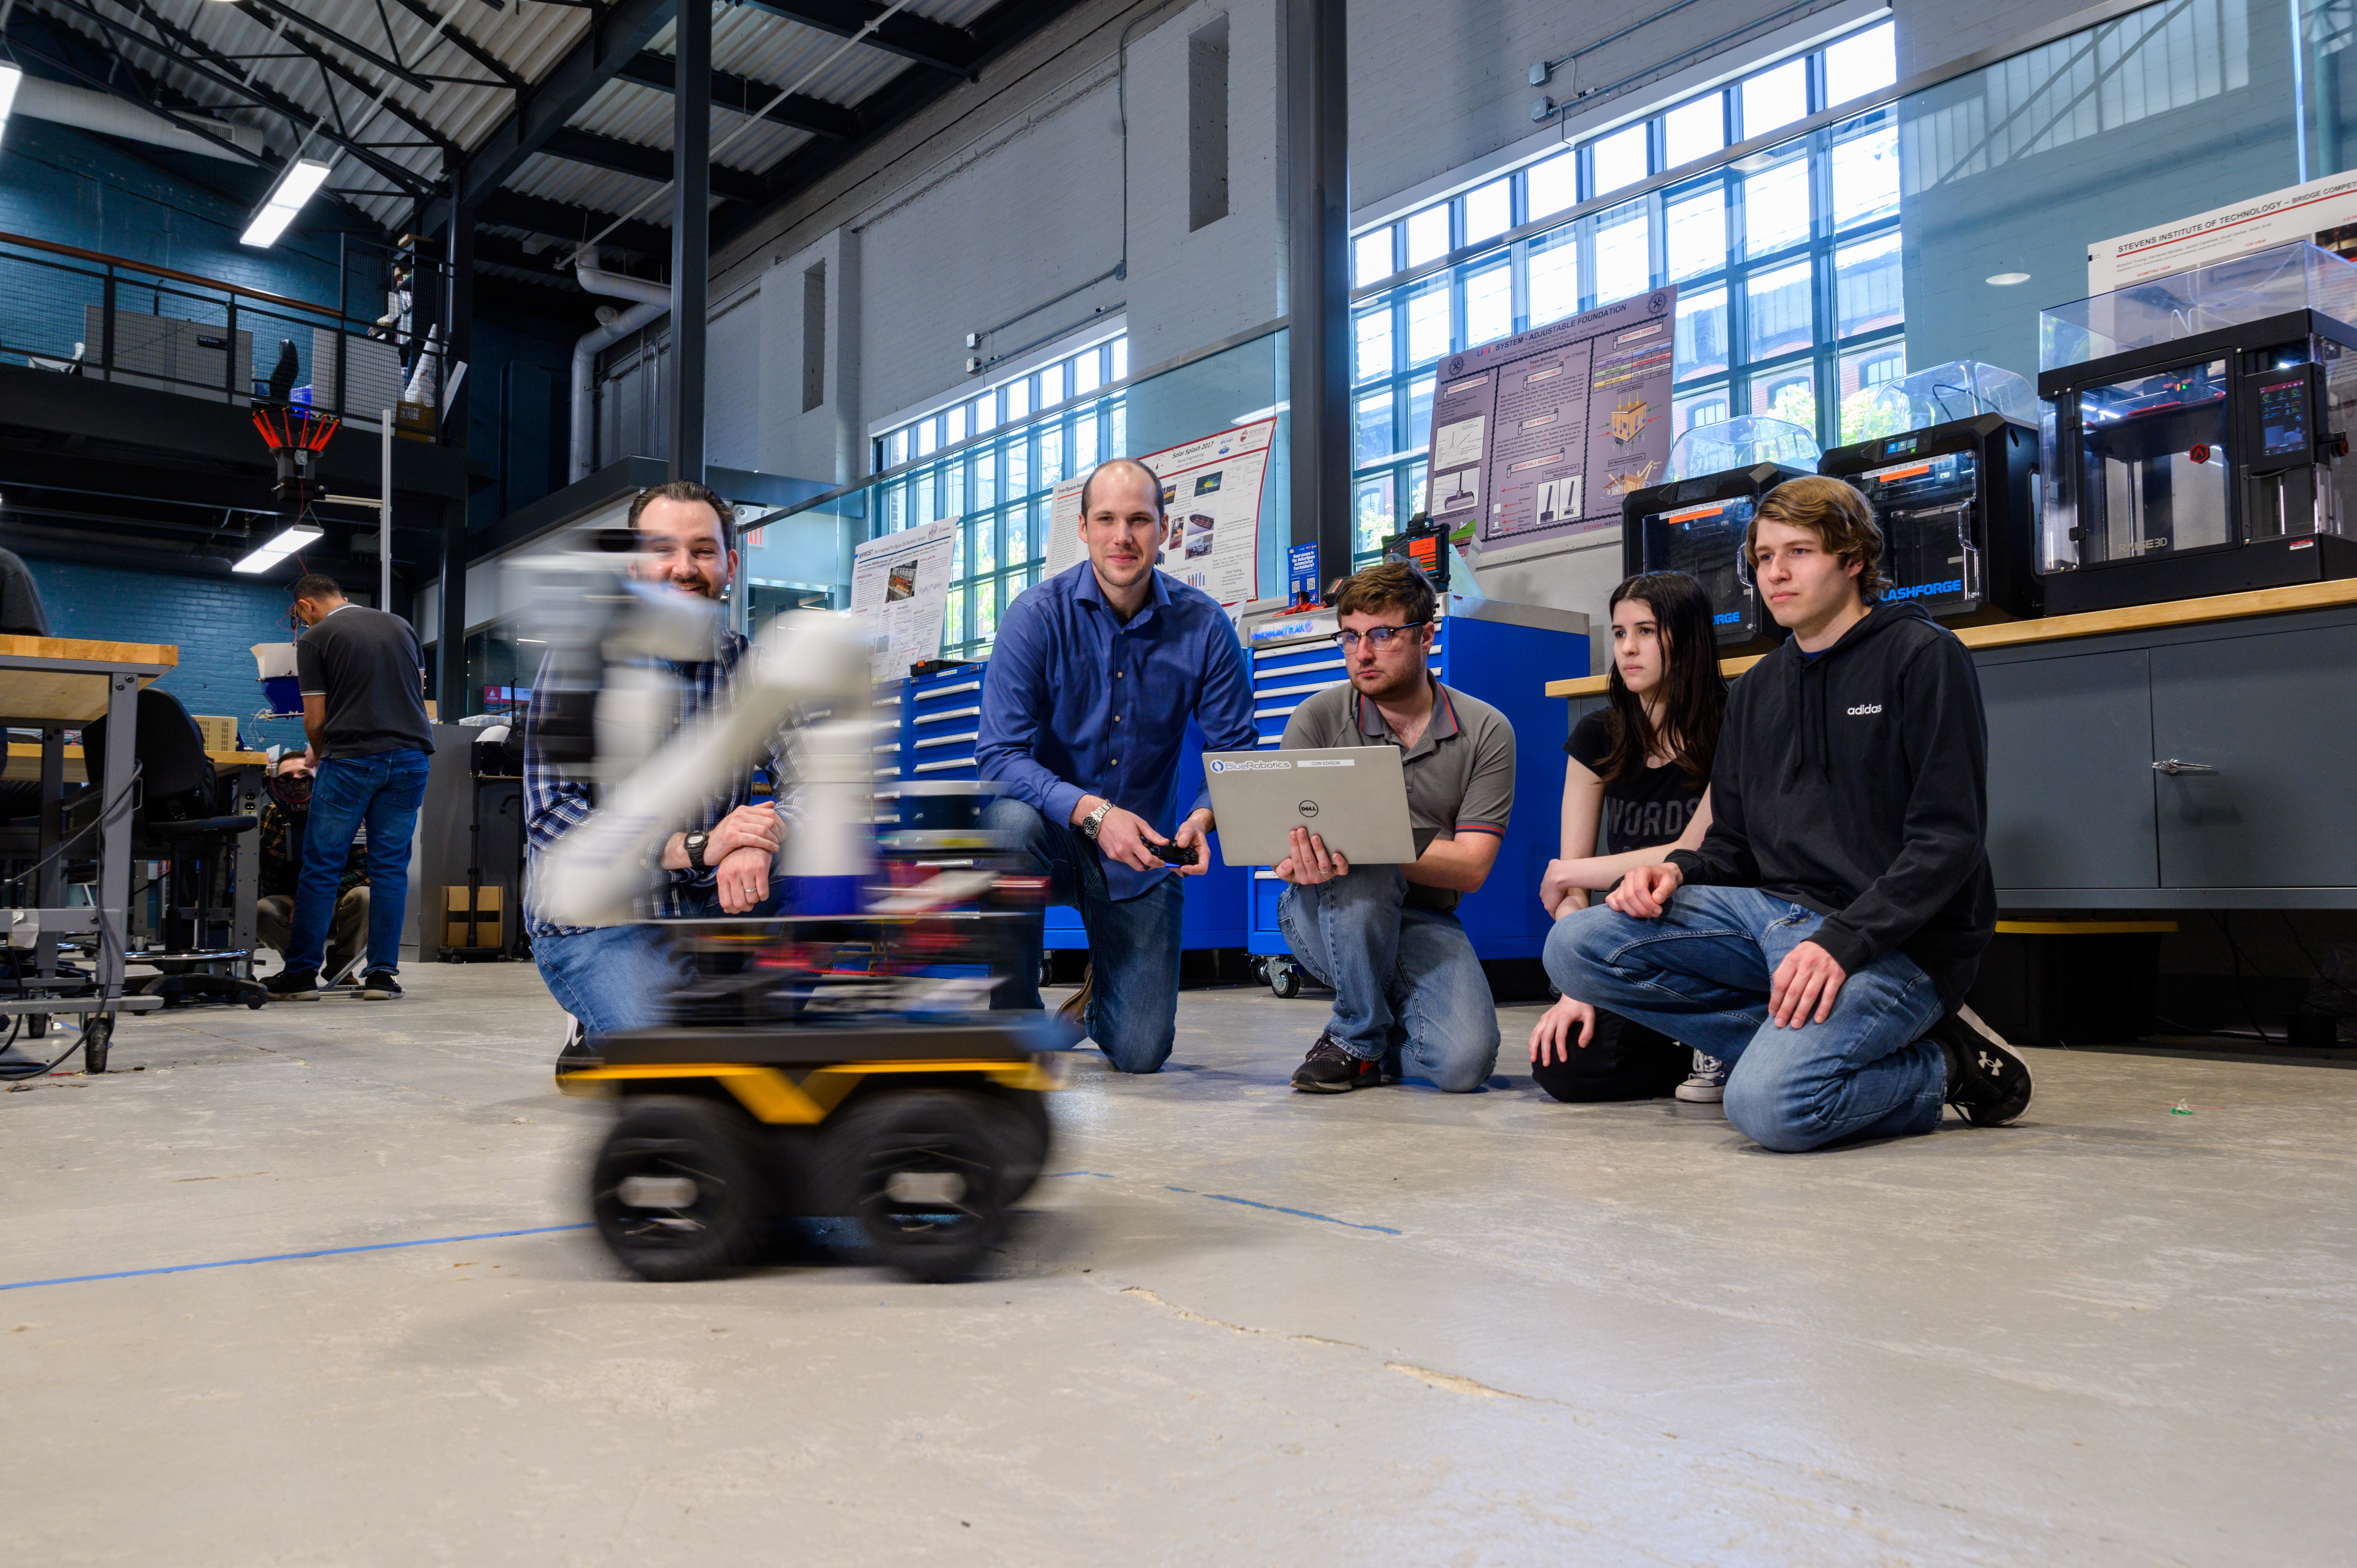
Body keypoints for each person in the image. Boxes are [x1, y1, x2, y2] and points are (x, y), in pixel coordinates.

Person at [1545, 477, 2032, 1152]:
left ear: (1854, 558)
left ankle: (1944, 1063)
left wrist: (1843, 941)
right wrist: (1673, 872)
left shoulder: (1922, 657)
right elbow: (1731, 842)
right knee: (1575, 946)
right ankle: (1808, 1041)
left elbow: (1945, 842)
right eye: (1763, 557)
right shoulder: (1756, 689)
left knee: (1769, 1107)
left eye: (1797, 551)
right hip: (1770, 918)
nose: (1774, 572)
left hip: (1892, 943)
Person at [976, 456, 1256, 1074]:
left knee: (1140, 1051)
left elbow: (1233, 749)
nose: (1122, 536)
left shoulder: (1204, 625)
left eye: (1139, 520)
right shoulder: (1036, 616)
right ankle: (1014, 1024)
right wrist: (1096, 814)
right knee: (1005, 828)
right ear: (1082, 528)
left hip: (1144, 856)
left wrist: (1205, 817)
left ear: (1164, 528)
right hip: (1050, 836)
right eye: (1106, 519)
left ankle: (1096, 1005)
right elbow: (998, 755)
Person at [525, 480, 789, 1045]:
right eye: (662, 549)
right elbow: (552, 815)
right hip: (604, 918)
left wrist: (759, 837)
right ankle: (597, 1017)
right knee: (676, 1061)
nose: (683, 567)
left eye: (703, 550)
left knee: (795, 1047)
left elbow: (818, 785)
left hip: (717, 910)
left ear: (730, 564)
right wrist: (693, 847)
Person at [1271, 562, 1515, 1095]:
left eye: (1383, 635)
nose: (1362, 653)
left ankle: (1373, 1041)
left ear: (1428, 635)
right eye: (1351, 637)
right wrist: (1308, 858)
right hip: (1324, 908)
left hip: (1423, 915)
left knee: (1463, 1066)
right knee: (1363, 872)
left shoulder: (1486, 730)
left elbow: (1472, 867)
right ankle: (1356, 1038)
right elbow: (1281, 851)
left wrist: (1367, 840)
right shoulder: (1316, 718)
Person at [1528, 572, 1728, 1105]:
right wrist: (1578, 980)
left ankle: (1712, 1035)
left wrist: (1567, 873)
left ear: (1686, 638)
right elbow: (1569, 894)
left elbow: (1689, 852)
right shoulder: (1599, 733)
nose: (1628, 649)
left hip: (1706, 935)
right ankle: (1696, 1042)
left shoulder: (1731, 725)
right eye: (1619, 634)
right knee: (1565, 1068)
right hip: (1625, 942)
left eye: (1646, 631)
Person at [263, 573, 432, 1001]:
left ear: (306, 607)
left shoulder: (317, 638)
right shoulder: (401, 625)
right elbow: (419, 689)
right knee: (390, 869)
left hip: (352, 757)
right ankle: (382, 977)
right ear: (343, 595)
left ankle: (301, 976)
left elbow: (314, 718)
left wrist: (318, 753)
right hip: (411, 757)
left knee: (322, 866)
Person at [254, 752, 369, 981]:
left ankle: (340, 967)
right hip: (288, 905)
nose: (296, 782)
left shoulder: (345, 815)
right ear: (276, 785)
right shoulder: (268, 816)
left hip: (336, 902)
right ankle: (302, 967)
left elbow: (365, 872)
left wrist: (312, 897)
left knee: (366, 897)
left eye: (304, 775)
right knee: (259, 911)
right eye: (287, 777)